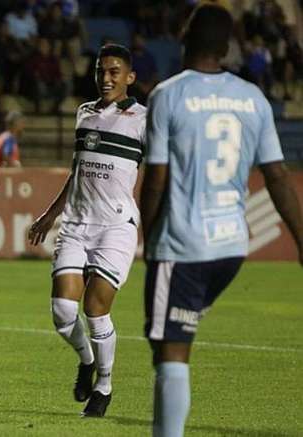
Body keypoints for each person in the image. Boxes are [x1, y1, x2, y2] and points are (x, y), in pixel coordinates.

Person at [140, 5, 303, 437]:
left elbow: (155, 179)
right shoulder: (253, 98)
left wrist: (148, 236)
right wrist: (302, 240)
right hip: (231, 248)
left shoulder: (168, 95)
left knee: (170, 352)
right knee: (176, 335)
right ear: (228, 47)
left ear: (183, 38)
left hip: (182, 244)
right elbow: (278, 177)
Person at [28, 43, 145, 418]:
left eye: (114, 72)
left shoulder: (144, 120)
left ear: (130, 77)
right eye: (100, 71)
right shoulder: (84, 113)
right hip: (77, 223)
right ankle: (86, 359)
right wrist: (50, 214)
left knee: (95, 309)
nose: (106, 78)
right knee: (63, 311)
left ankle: (104, 385)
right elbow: (77, 172)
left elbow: (161, 170)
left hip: (116, 226)